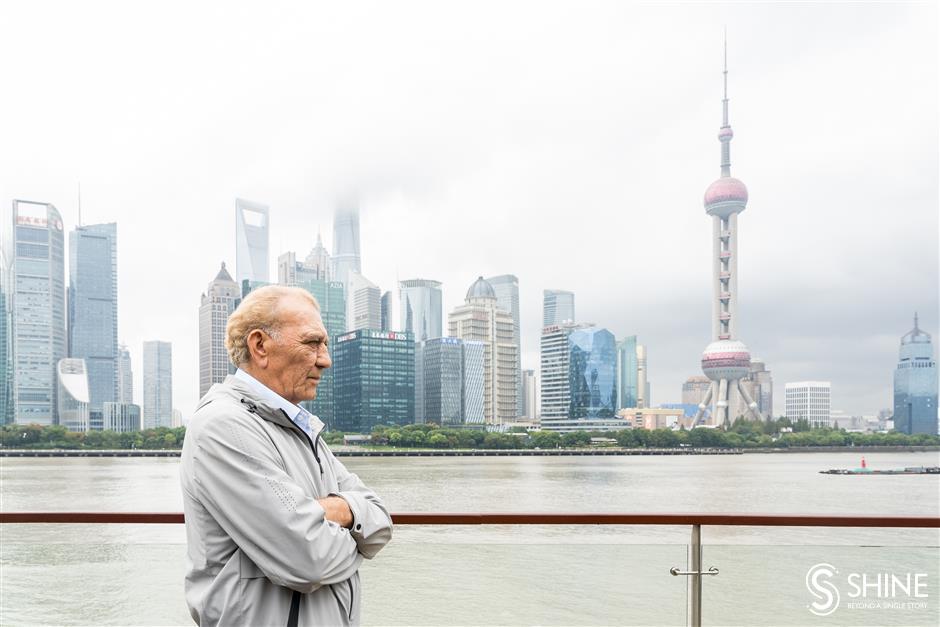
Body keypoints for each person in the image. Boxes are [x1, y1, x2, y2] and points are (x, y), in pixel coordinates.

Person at [180, 285, 392, 626]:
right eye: (312, 343)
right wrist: (354, 525)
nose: (325, 359)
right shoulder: (223, 427)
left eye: (323, 344)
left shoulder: (301, 427)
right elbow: (310, 560)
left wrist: (332, 511)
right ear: (260, 345)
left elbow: (381, 519)